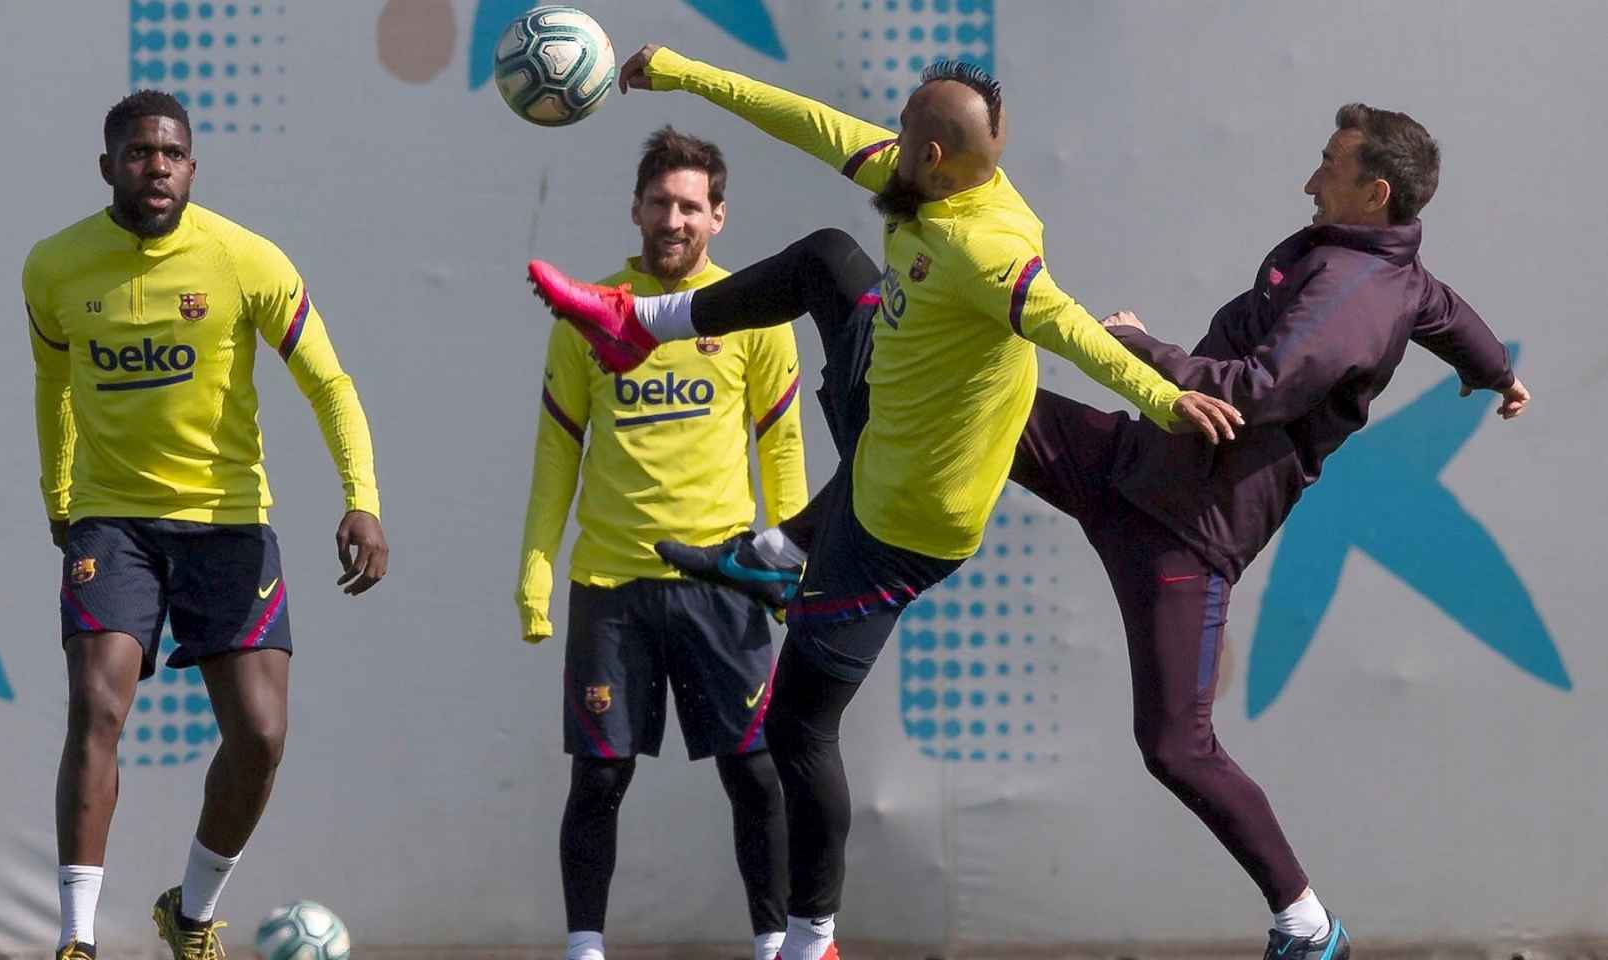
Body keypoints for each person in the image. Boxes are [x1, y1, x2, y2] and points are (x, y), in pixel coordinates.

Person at [675, 103, 1530, 960]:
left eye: (1330, 168)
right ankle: (785, 553)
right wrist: (1495, 373)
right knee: (963, 402)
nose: (1310, 180)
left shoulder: (1355, 296)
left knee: (1175, 746)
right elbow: (1444, 310)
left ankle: (1306, 923)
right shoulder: (1386, 266)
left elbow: (1254, 389)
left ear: (1376, 193)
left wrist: (1142, 346)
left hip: (1184, 534)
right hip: (1133, 462)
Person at [527, 47, 1242, 960]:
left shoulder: (987, 250)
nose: (885, 142)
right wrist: (682, 71)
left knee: (795, 725)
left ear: (935, 158)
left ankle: (810, 938)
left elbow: (1066, 327)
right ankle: (644, 331)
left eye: (903, 133)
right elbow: (808, 121)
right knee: (830, 256)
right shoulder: (928, 184)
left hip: (901, 523)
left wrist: (1163, 395)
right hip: (883, 410)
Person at [26, 90, 388, 960]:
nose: (158, 167)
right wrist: (61, 500)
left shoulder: (245, 259)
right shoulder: (55, 267)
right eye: (141, 153)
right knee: (96, 706)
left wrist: (361, 496)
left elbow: (329, 383)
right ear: (108, 165)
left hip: (228, 525)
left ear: (193, 165)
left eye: (173, 154)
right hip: (113, 524)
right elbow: (53, 389)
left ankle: (189, 913)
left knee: (260, 737)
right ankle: (76, 940)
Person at [517, 127, 807, 960]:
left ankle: (772, 945)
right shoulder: (589, 310)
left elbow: (780, 445)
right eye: (660, 203)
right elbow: (556, 450)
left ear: (718, 216)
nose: (673, 219)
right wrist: (536, 570)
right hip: (613, 585)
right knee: (600, 778)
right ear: (636, 209)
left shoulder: (754, 311)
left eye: (691, 205)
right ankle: (584, 949)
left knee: (753, 772)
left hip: (728, 581)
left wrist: (789, 565)